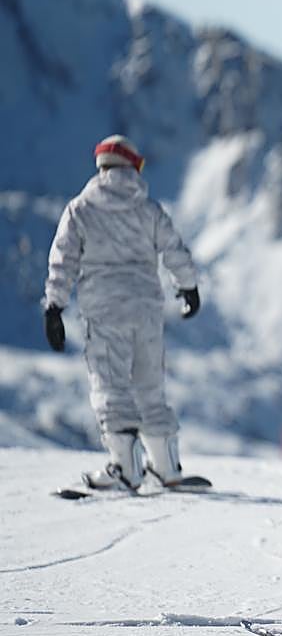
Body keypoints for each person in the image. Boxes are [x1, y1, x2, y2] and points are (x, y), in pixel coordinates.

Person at [42, 135, 201, 490]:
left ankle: (125, 467)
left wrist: (54, 306)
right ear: (134, 166)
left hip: (105, 310)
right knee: (149, 384)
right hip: (146, 310)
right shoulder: (148, 209)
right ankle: (166, 466)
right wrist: (188, 286)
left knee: (111, 384)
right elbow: (174, 249)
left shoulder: (80, 209)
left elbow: (63, 260)